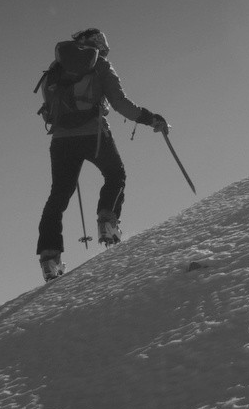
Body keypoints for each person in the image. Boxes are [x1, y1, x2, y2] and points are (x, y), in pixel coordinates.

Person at [37, 27, 167, 281]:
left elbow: (49, 106)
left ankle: (50, 258)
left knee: (59, 196)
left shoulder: (57, 67)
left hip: (62, 140)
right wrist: (151, 119)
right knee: (115, 174)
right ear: (100, 45)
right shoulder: (101, 66)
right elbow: (120, 103)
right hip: (94, 134)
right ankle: (107, 222)